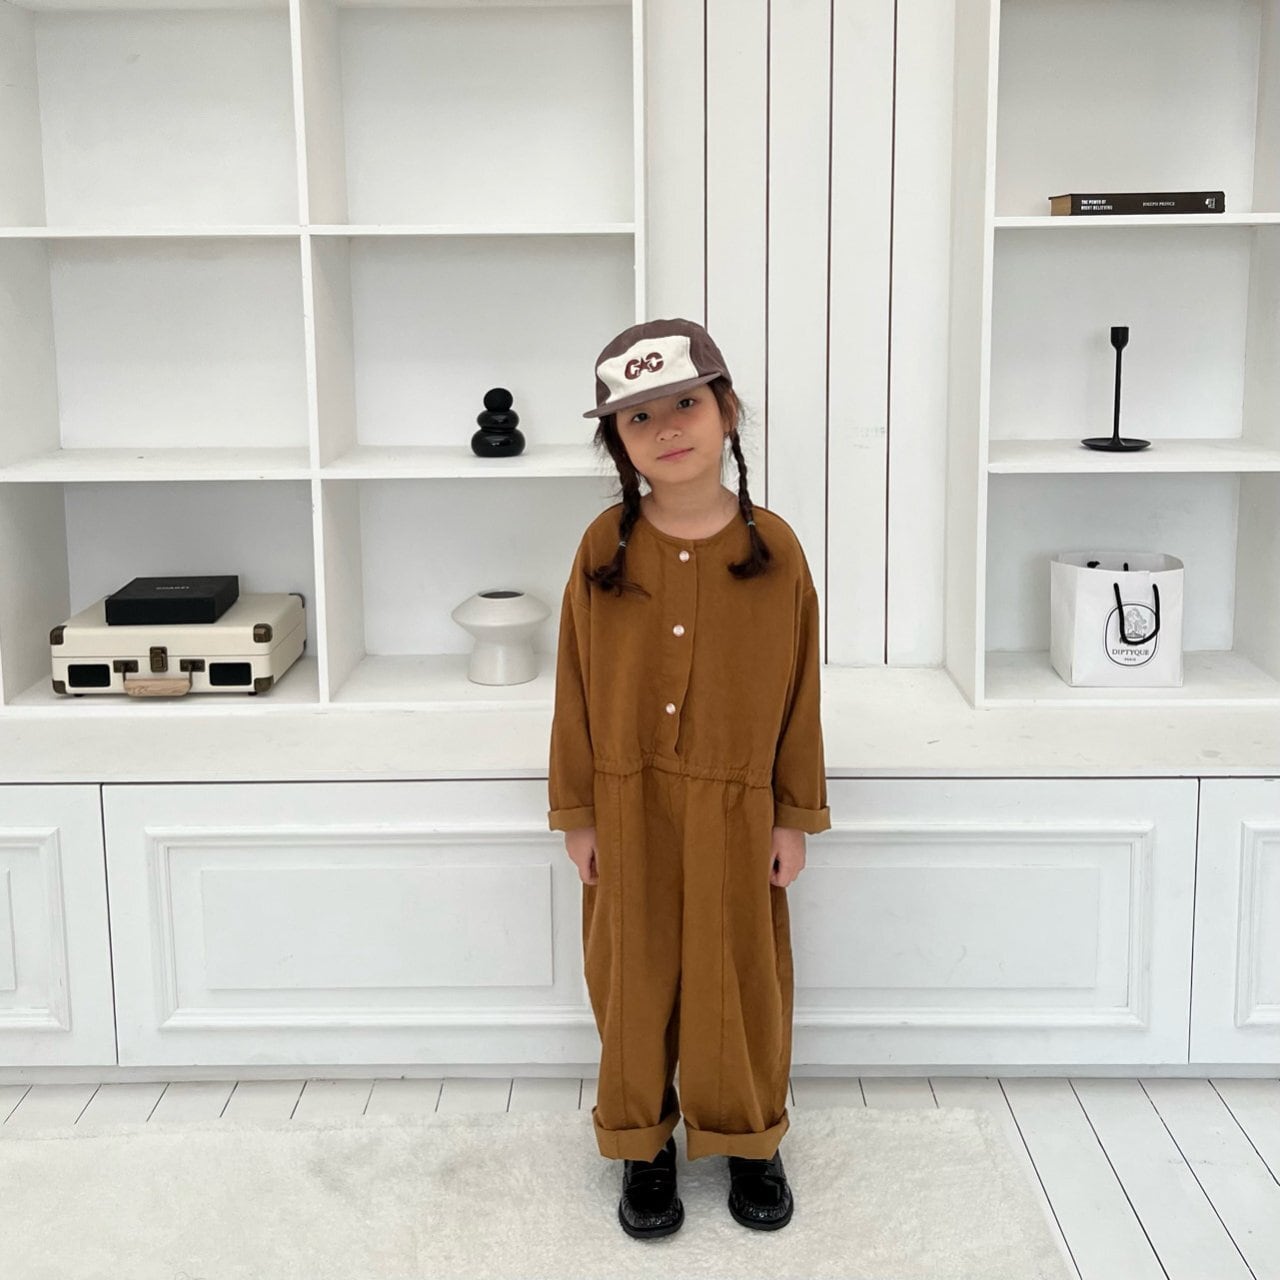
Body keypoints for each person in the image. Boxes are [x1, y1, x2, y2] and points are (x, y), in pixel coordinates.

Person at [547, 317, 831, 1240]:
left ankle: (748, 1136)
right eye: (639, 417)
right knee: (631, 980)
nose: (667, 428)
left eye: (685, 404)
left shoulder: (775, 550)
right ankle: (643, 1146)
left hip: (739, 806)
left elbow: (801, 695)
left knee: (739, 979)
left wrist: (791, 817)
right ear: (618, 442)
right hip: (626, 803)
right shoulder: (602, 547)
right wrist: (579, 814)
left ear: (727, 411)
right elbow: (574, 686)